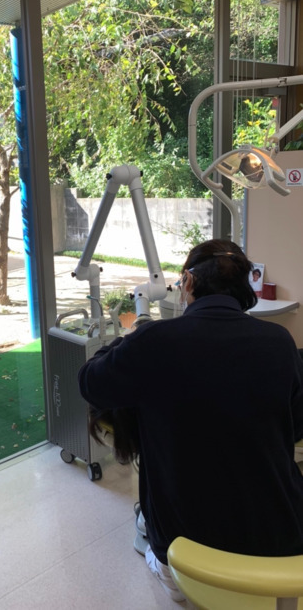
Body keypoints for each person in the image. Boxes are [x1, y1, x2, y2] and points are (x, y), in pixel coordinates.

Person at [79, 239, 303, 602]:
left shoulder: (153, 341)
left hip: (185, 554)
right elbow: (295, 428)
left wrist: (127, 342)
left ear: (188, 282)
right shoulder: (280, 342)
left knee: (159, 549)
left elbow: (90, 383)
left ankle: (166, 574)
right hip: (279, 546)